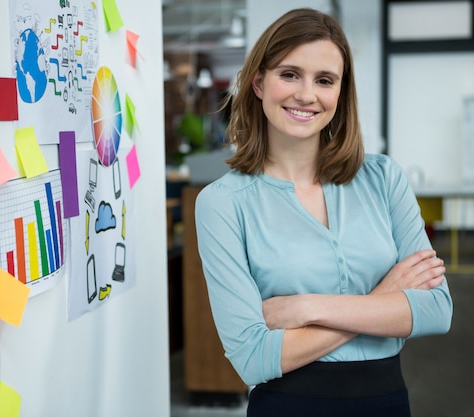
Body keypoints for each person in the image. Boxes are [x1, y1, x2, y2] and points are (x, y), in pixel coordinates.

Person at [194, 8, 453, 417]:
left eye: (325, 80)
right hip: (287, 405)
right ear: (260, 83)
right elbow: (254, 357)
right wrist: (385, 300)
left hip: (386, 402)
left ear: (340, 93)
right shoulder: (222, 203)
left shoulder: (383, 178)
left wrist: (308, 307)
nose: (306, 94)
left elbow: (437, 310)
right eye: (290, 74)